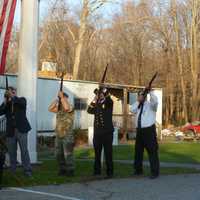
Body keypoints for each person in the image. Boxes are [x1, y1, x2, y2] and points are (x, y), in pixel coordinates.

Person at [0, 87, 32, 177]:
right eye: (10, 92)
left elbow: (21, 103)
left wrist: (13, 96)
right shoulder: (7, 104)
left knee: (24, 151)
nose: (11, 93)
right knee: (11, 152)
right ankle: (13, 171)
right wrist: (5, 101)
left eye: (12, 92)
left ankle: (27, 170)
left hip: (21, 129)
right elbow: (0, 111)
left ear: (15, 92)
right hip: (10, 131)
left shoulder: (21, 100)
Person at [130, 88, 160, 179]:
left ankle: (154, 172)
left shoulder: (151, 105)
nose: (140, 97)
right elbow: (132, 109)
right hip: (139, 131)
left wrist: (151, 92)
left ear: (145, 96)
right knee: (138, 152)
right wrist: (139, 101)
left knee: (152, 151)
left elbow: (155, 102)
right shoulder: (137, 105)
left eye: (141, 95)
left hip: (149, 131)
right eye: (139, 95)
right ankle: (138, 170)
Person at [87, 87, 114, 179]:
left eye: (101, 94)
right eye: (98, 94)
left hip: (107, 133)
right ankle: (97, 171)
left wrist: (103, 90)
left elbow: (108, 99)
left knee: (108, 153)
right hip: (98, 133)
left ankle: (110, 172)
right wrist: (94, 100)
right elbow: (89, 110)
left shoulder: (108, 103)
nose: (99, 95)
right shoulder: (97, 105)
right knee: (97, 153)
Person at [48, 91, 75, 176]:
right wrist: (56, 100)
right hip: (59, 135)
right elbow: (50, 108)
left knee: (68, 154)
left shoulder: (70, 106)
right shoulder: (59, 109)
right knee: (58, 154)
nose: (61, 100)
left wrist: (62, 97)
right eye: (60, 99)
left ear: (66, 98)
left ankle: (70, 170)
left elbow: (66, 108)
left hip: (67, 135)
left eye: (62, 98)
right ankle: (62, 169)